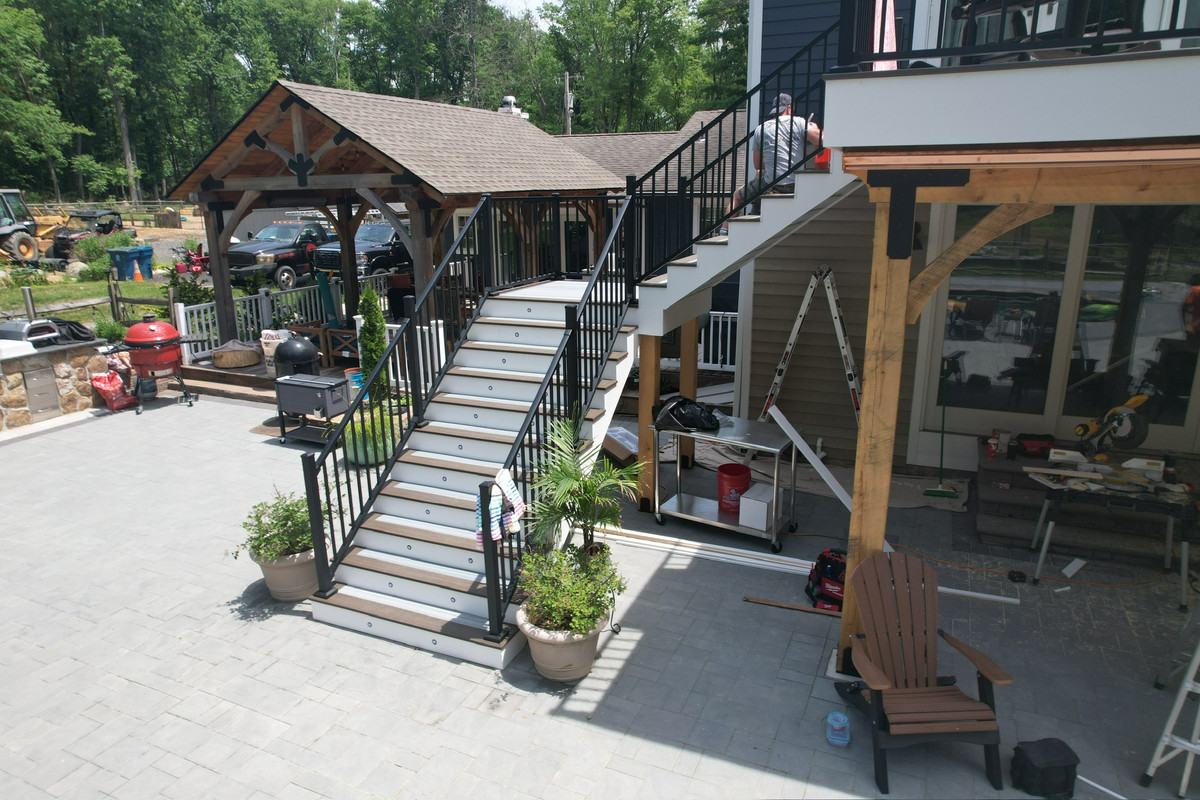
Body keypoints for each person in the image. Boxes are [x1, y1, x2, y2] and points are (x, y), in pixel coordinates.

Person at [726, 93, 822, 222]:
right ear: (789, 108)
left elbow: (758, 165)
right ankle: (755, 211)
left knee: (737, 196)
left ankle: (725, 231)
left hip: (772, 185)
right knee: (760, 176)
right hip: (796, 183)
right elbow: (820, 140)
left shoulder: (761, 129)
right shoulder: (798, 122)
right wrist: (815, 128)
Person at [1181, 274, 1200, 342]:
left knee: (1191, 344)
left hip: (1194, 325)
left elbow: (1185, 307)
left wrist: (1185, 324)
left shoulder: (1195, 290)